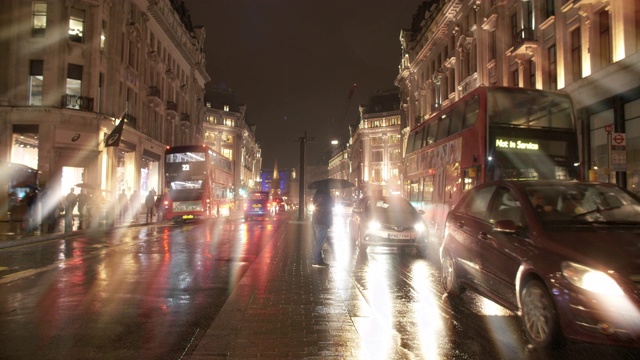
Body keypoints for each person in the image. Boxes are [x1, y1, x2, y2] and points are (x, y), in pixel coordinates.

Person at [311, 187, 334, 267]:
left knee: (318, 241)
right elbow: (332, 204)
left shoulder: (316, 196)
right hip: (322, 221)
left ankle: (319, 260)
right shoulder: (326, 196)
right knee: (319, 242)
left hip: (317, 221)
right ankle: (316, 260)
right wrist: (330, 196)